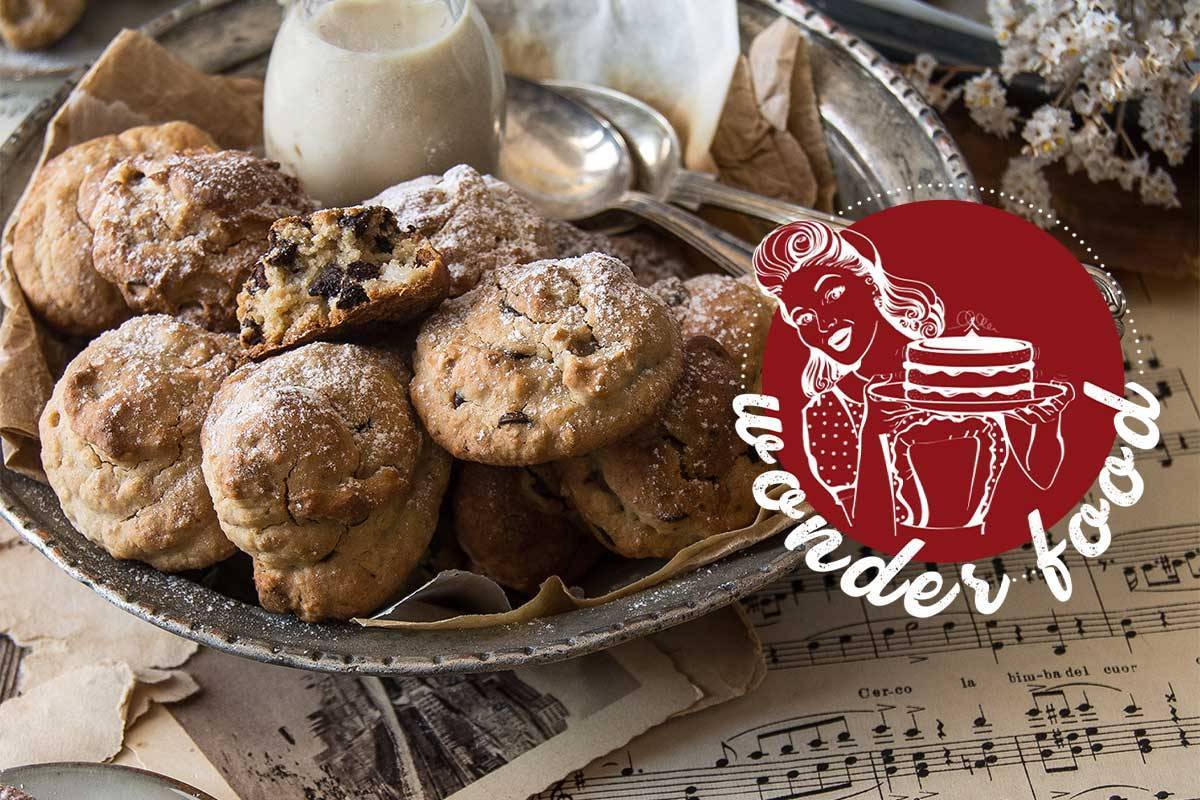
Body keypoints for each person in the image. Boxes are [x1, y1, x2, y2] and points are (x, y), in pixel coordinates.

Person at [754, 221, 1071, 533]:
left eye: (833, 295)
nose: (824, 323)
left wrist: (1045, 424)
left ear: (869, 283)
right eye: (805, 318)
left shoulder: (970, 365)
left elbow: (1039, 481)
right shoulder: (828, 413)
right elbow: (865, 525)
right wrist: (872, 431)